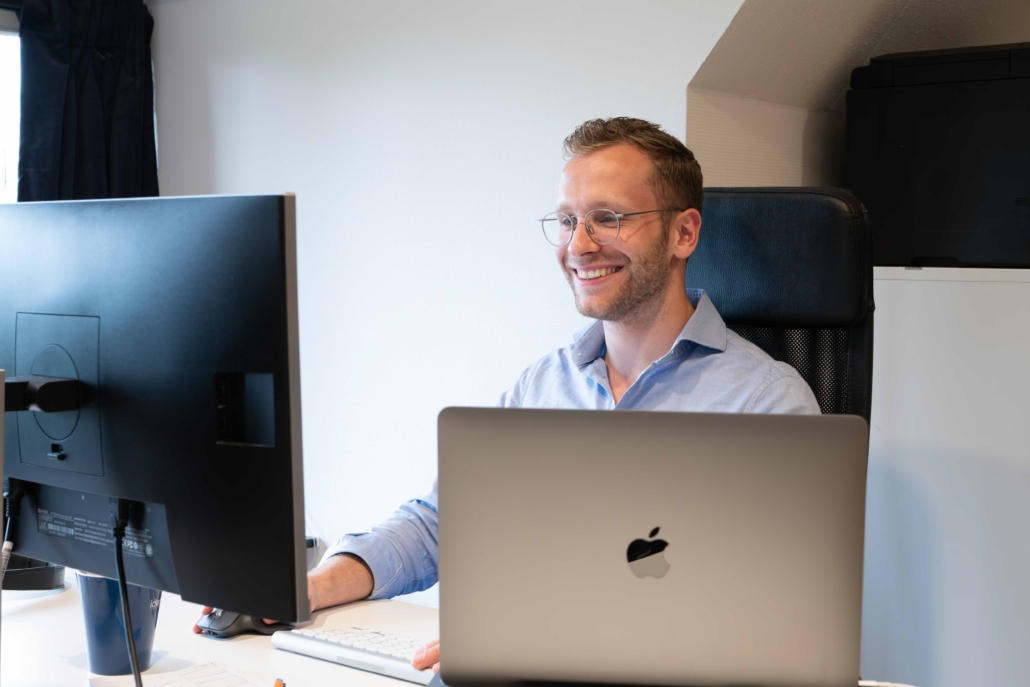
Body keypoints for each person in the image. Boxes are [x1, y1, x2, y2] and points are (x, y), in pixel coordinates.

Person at [194, 117, 821, 673]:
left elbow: (775, 612)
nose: (579, 245)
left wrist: (541, 643)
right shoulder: (540, 386)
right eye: (568, 221)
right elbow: (440, 525)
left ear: (684, 233)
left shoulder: (766, 404)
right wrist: (309, 587)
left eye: (608, 218)